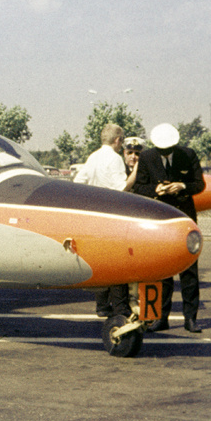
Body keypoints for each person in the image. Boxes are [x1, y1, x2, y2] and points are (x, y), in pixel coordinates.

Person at [133, 123, 207, 332]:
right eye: (162, 150)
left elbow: (199, 184)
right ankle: (161, 318)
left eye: (168, 149)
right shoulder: (147, 157)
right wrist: (156, 190)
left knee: (189, 271)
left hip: (184, 218)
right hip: (160, 219)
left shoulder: (188, 155)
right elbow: (139, 187)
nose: (165, 153)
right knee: (163, 268)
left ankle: (190, 318)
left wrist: (182, 186)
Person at [74, 124, 129, 317]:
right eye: (122, 140)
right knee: (117, 263)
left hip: (95, 216)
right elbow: (121, 187)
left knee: (101, 261)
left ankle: (102, 304)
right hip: (112, 215)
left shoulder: (93, 157)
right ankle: (121, 307)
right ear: (117, 140)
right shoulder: (115, 159)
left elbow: (78, 183)